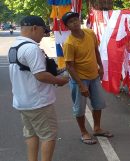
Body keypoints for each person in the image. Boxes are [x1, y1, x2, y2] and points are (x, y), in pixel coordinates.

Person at [8, 15, 69, 161]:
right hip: (38, 102)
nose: (44, 35)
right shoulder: (31, 48)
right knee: (48, 136)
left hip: (22, 101)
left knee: (31, 134)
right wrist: (59, 81)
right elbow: (40, 75)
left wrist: (59, 70)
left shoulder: (14, 47)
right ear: (34, 28)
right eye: (43, 31)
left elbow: (29, 71)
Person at [61, 12, 113, 145]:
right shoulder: (69, 43)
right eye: (71, 22)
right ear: (67, 26)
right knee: (79, 108)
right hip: (79, 80)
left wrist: (101, 66)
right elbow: (69, 66)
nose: (75, 23)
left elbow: (96, 51)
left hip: (94, 76)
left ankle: (97, 128)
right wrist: (81, 85)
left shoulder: (90, 33)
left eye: (76, 20)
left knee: (98, 104)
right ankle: (84, 132)